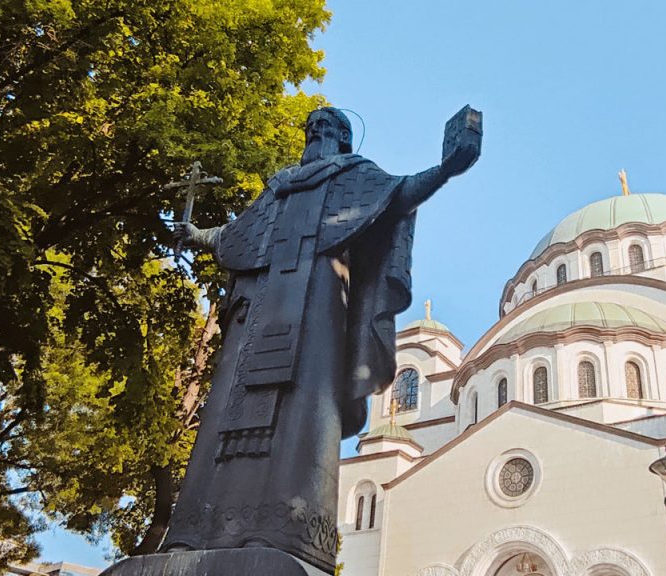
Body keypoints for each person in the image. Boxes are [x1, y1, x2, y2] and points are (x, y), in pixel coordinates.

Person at [167, 106, 480, 572]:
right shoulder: (279, 186)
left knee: (303, 412)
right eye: (312, 127)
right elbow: (238, 234)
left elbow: (398, 194)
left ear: (342, 138)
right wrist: (197, 235)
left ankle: (280, 528)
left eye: (326, 127)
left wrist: (446, 169)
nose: (316, 133)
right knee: (222, 415)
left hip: (316, 308)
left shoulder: (355, 176)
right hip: (258, 313)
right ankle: (193, 532)